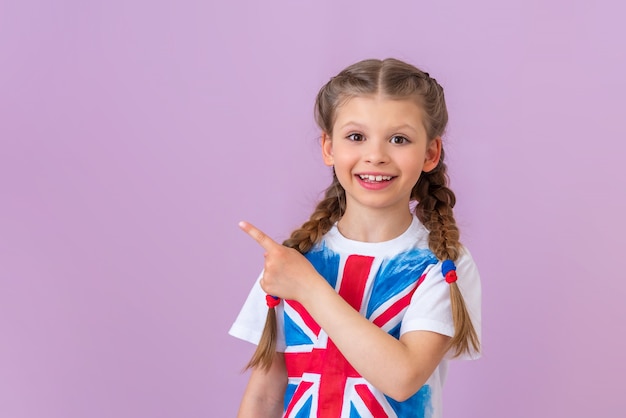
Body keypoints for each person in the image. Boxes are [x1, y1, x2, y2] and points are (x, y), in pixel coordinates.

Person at [229, 58, 481, 418]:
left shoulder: (443, 265)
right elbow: (265, 395)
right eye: (356, 137)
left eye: (399, 139)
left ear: (430, 153)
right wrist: (296, 278)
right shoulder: (291, 262)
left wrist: (308, 288)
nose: (376, 155)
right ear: (329, 148)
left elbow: (402, 377)